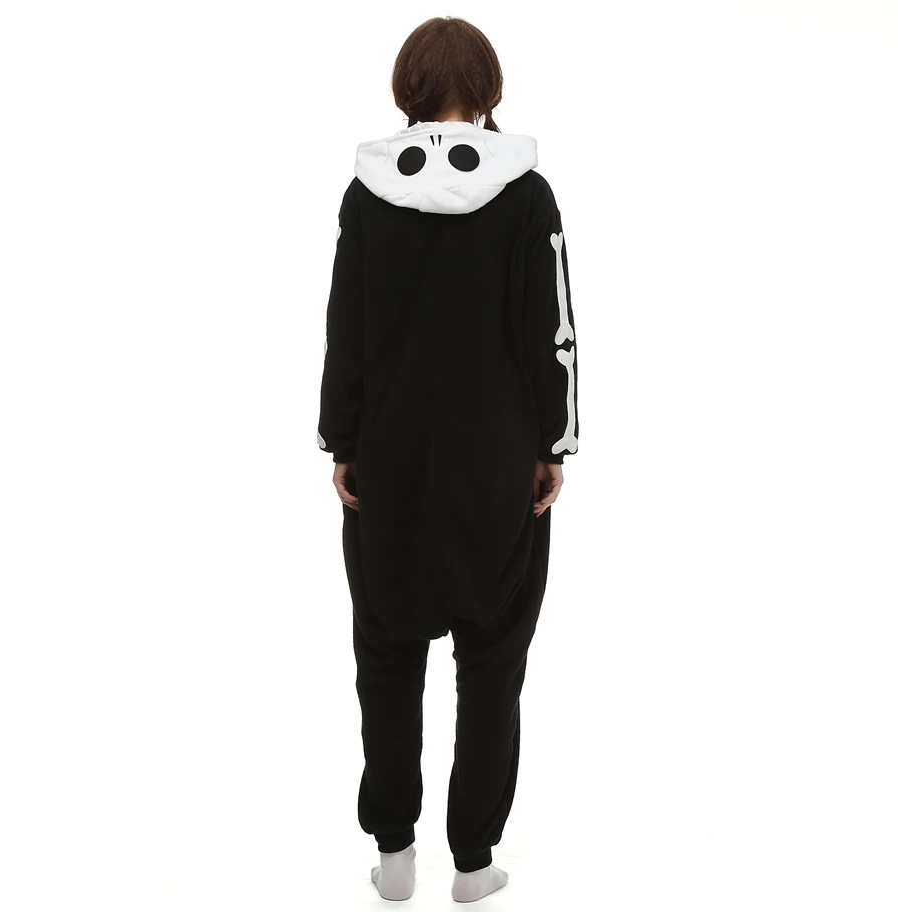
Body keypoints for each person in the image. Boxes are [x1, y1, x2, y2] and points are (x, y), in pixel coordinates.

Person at [316, 15, 579, 903]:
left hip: (389, 468)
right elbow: (551, 333)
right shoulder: (526, 193)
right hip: (497, 469)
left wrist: (342, 441)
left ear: (409, 88)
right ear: (489, 89)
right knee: (492, 668)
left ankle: (394, 855)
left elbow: (346, 330)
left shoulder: (366, 194)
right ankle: (472, 862)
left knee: (387, 659)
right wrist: (552, 445)